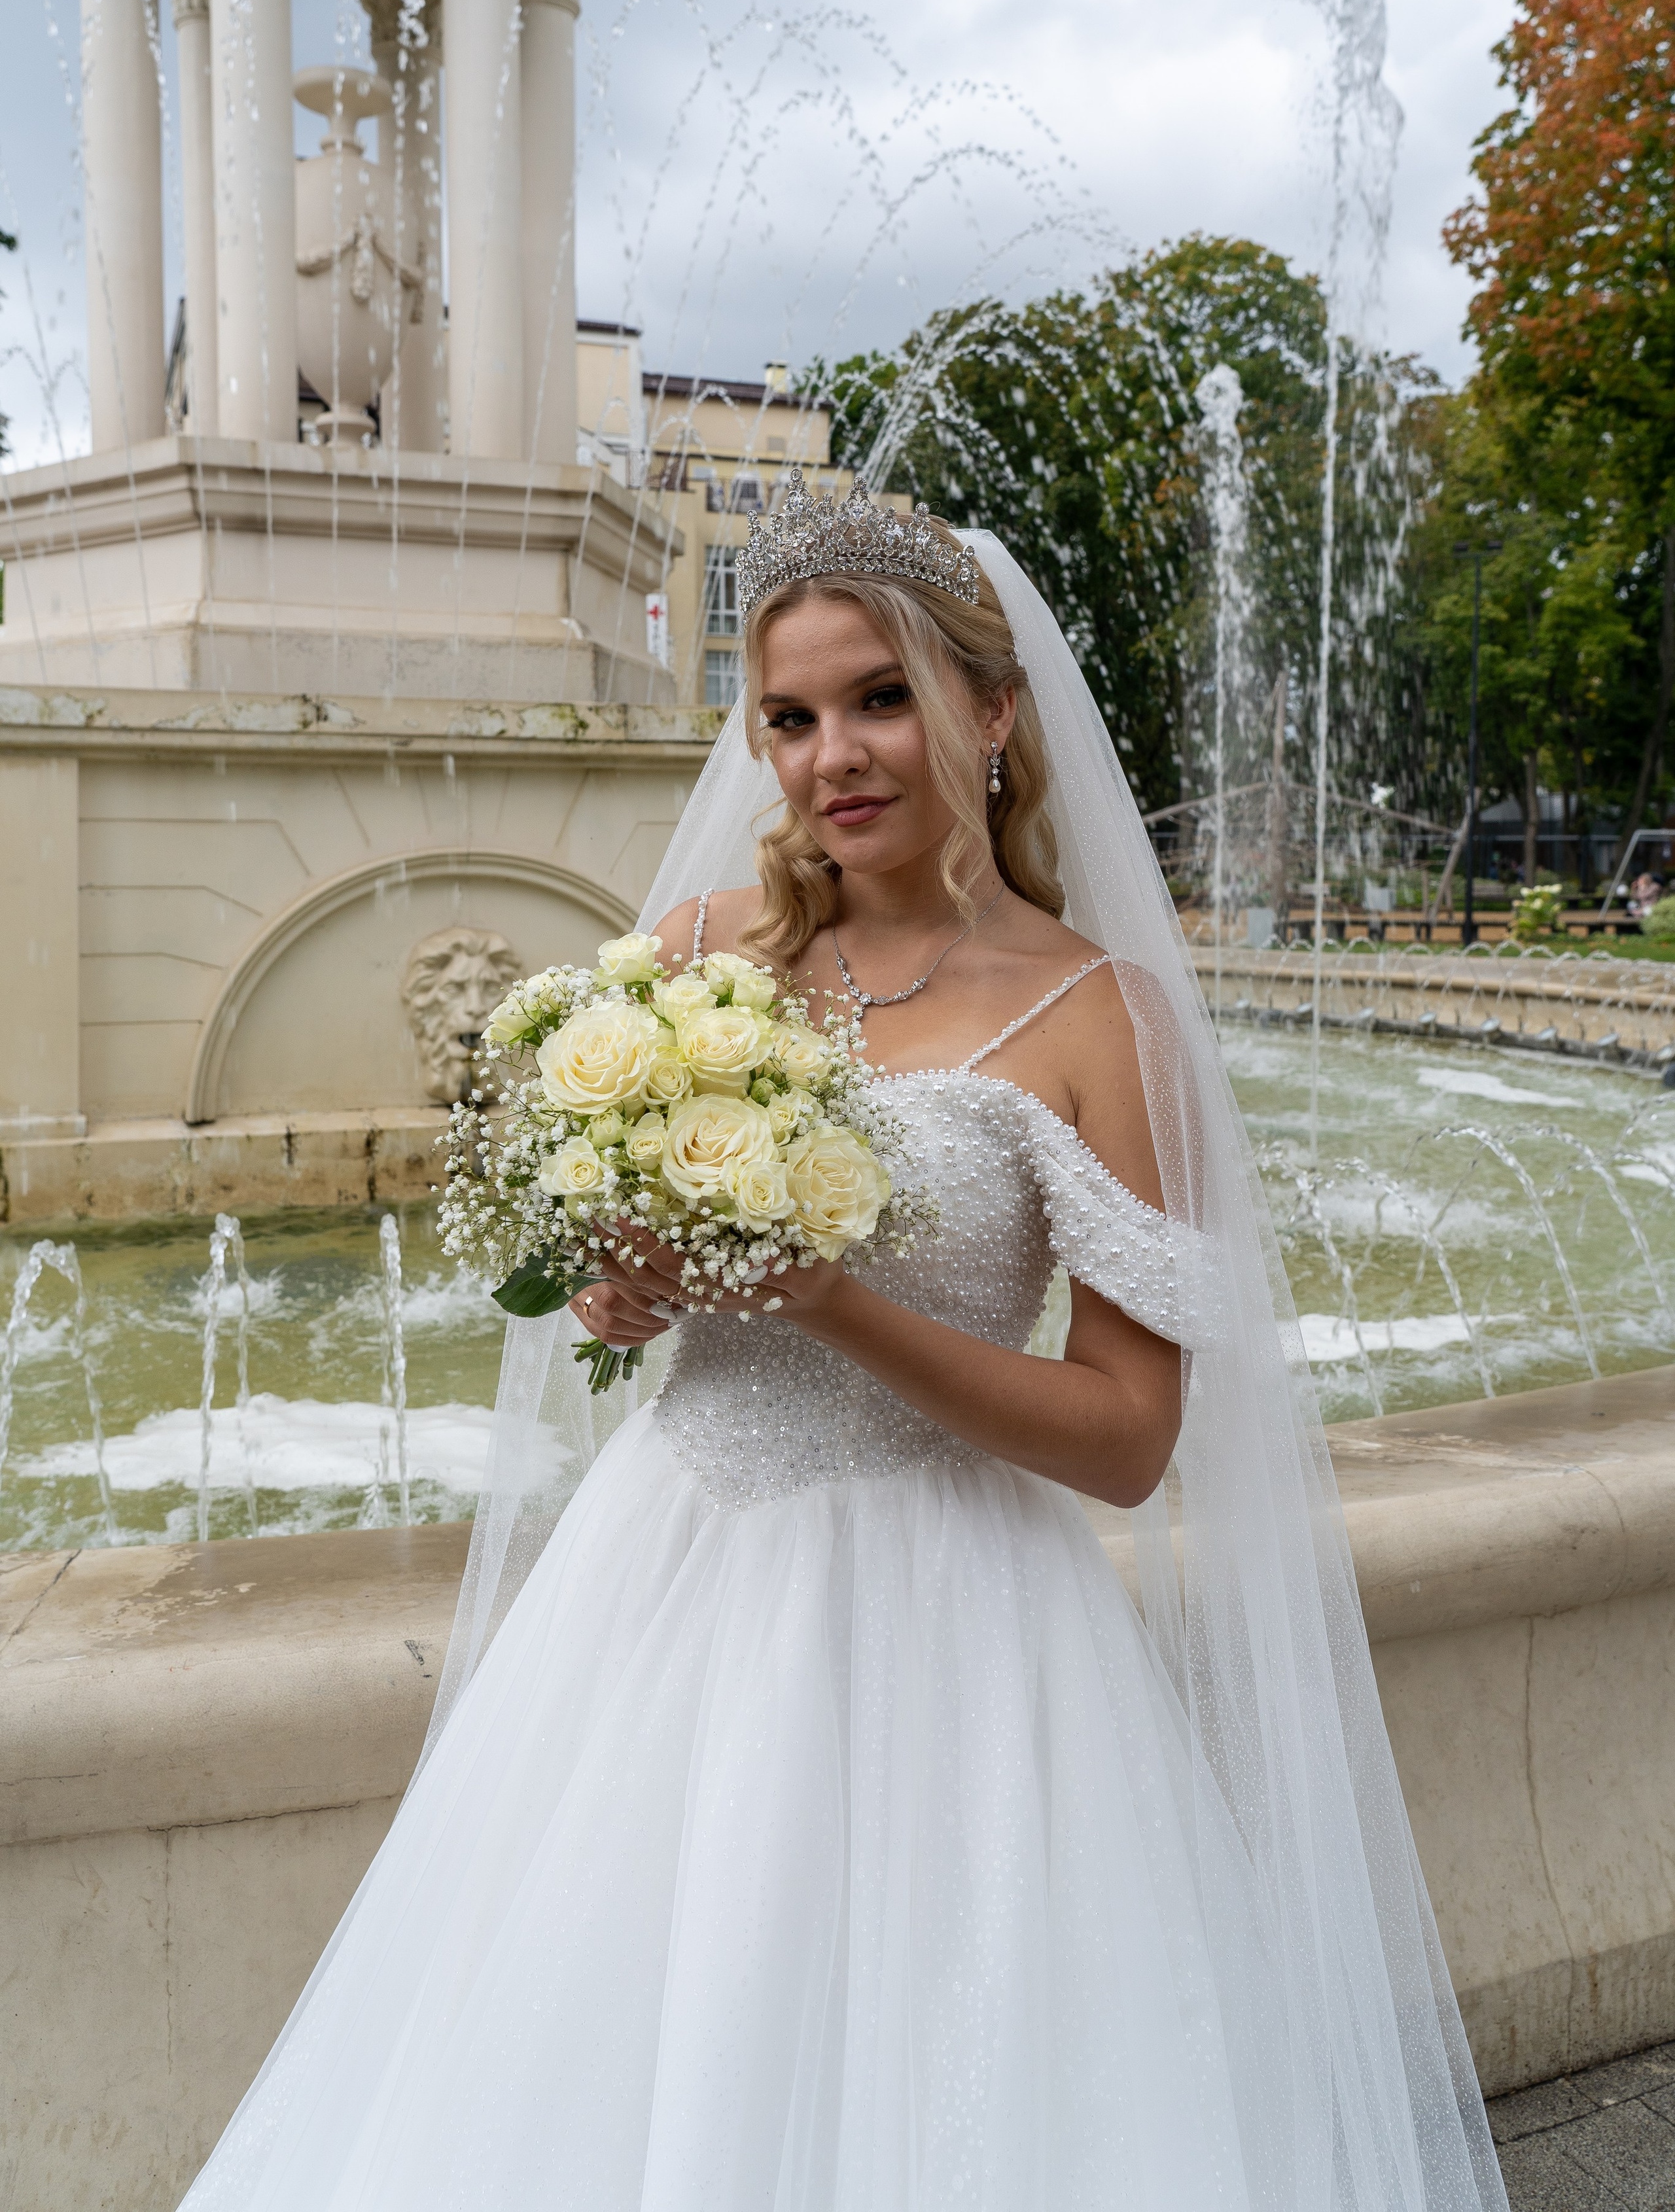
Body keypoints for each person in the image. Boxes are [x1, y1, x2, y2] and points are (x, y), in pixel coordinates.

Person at [177, 483, 1506, 2211]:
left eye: (880, 697)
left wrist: (837, 1300)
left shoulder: (1097, 1015)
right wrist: (621, 1286)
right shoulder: (694, 957)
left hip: (958, 1623)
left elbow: (1124, 1436)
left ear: (993, 710)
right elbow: (596, 1254)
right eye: (790, 718)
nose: (832, 758)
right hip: (670, 1581)